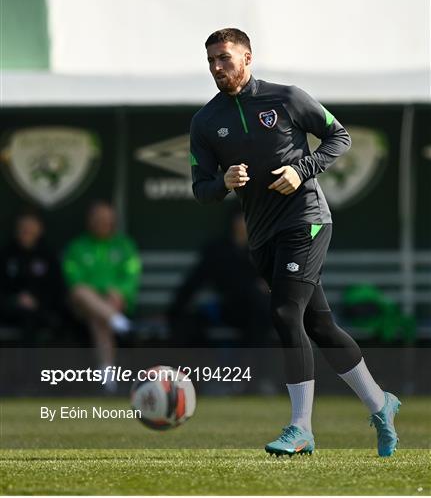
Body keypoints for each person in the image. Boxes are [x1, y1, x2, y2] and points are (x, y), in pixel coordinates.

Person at [190, 28, 401, 457]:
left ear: (247, 58)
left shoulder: (286, 98)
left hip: (306, 221)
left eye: (225, 58)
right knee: (318, 325)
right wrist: (222, 182)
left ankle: (300, 427)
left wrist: (301, 169)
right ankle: (381, 405)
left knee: (285, 313)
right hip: (263, 235)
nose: (216, 67)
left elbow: (339, 137)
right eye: (211, 60)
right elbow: (200, 188)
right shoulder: (205, 122)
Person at [167, 206, 271, 347]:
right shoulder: (218, 250)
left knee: (260, 308)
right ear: (234, 221)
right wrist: (172, 311)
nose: (247, 222)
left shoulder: (264, 248)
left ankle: (251, 365)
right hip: (228, 308)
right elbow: (194, 281)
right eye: (243, 217)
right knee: (187, 324)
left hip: (256, 312)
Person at [63, 201, 141, 378]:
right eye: (98, 219)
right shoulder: (77, 247)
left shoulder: (124, 245)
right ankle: (120, 322)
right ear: (90, 221)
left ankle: (107, 378)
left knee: (99, 319)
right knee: (82, 292)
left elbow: (132, 276)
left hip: (115, 302)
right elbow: (73, 279)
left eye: (107, 219)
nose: (103, 223)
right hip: (83, 305)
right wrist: (103, 292)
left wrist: (119, 292)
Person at [0, 211, 66, 343]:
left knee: (33, 317)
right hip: (10, 307)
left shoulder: (48, 255)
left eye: (31, 226)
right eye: (23, 226)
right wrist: (16, 299)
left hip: (41, 308)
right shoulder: (6, 254)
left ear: (40, 229)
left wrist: (37, 300)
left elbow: (56, 288)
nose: (27, 230)